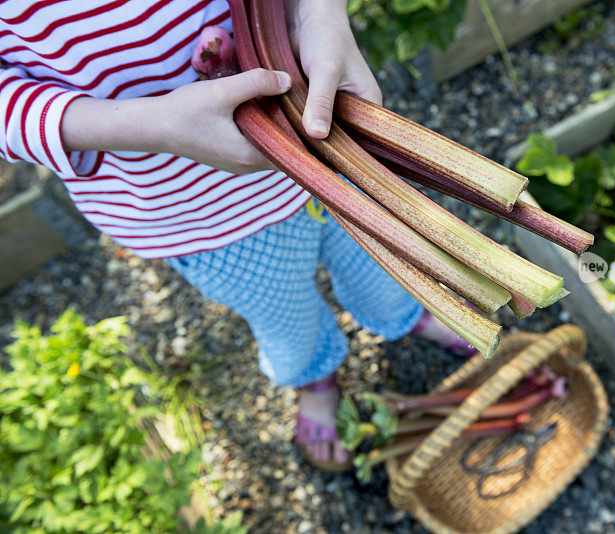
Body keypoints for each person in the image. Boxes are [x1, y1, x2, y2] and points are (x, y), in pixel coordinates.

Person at [0, 0, 475, 472]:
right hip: (197, 213)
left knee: (387, 265)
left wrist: (319, 15)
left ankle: (403, 315)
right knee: (284, 315)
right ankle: (315, 376)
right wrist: (150, 125)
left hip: (325, 139)